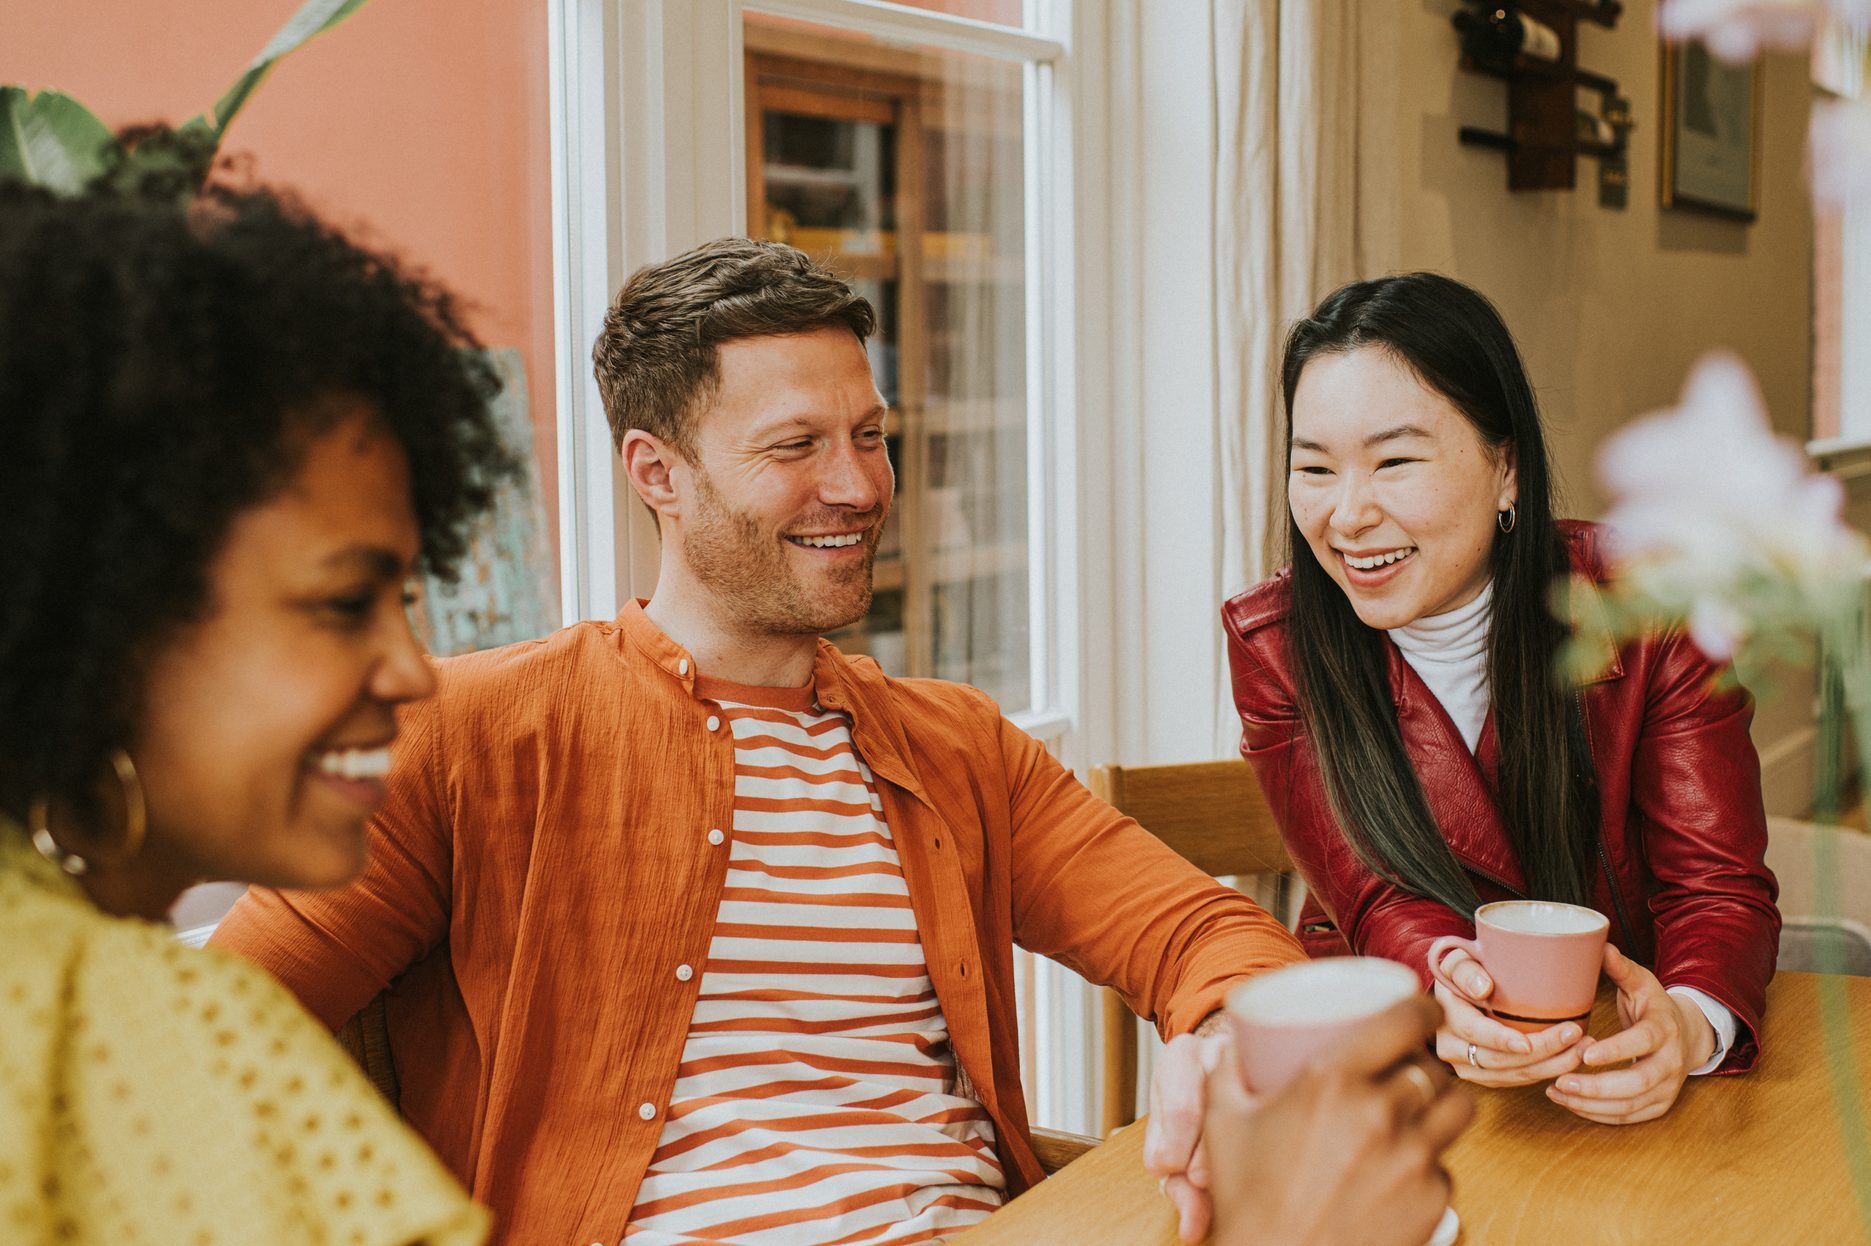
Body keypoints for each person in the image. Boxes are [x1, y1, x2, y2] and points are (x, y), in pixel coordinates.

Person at [210, 237, 1307, 1246]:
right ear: (656, 472)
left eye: (869, 437)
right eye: (796, 446)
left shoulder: (957, 744)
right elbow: (210, 1037)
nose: (859, 486)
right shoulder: (469, 737)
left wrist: (1215, 1036)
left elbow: (1207, 932)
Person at [0, 171, 516, 1243]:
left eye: (403, 601)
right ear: (109, 616)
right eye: (342, 604)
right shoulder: (176, 1045)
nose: (412, 671)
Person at [1224, 272, 1781, 1126]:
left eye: (1395, 461)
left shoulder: (1652, 603)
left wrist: (1690, 1023)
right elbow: (1373, 892)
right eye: (1314, 468)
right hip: (1393, 1059)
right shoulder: (1279, 647)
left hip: (1610, 1069)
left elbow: (1715, 888)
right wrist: (1446, 980)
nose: (1346, 514)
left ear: (1506, 469)